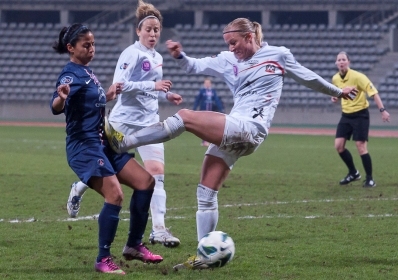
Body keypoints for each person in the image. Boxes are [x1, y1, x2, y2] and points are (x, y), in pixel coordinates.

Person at [104, 18, 358, 269]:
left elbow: (307, 77)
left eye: (234, 42)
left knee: (184, 117)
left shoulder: (278, 55)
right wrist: (180, 56)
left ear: (249, 37)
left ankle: (123, 142)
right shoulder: (228, 59)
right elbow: (195, 66)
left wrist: (338, 92)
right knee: (205, 192)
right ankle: (205, 255)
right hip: (237, 131)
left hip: (251, 128)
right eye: (228, 43)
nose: (231, 48)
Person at [66, 0, 183, 248]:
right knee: (105, 170)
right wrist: (153, 86)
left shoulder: (157, 57)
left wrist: (166, 95)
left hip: (149, 123)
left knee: (157, 175)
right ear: (138, 31)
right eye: (148, 29)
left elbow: (152, 89)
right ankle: (79, 187)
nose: (153, 34)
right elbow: (118, 86)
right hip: (122, 124)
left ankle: (159, 230)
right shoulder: (131, 53)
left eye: (156, 30)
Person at [51, 23, 163, 275]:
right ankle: (103, 258)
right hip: (85, 147)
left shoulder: (87, 71)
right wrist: (62, 97)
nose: (92, 49)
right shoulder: (70, 74)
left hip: (103, 143)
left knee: (146, 182)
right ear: (71, 48)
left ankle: (134, 245)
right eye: (86, 45)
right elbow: (56, 105)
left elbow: (93, 102)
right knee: (115, 196)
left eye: (93, 44)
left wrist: (109, 95)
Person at [331, 51, 390, 188]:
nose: (341, 62)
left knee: (361, 147)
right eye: (339, 60)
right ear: (336, 63)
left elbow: (374, 93)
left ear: (348, 62)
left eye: (343, 59)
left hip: (360, 115)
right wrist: (335, 97)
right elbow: (338, 93)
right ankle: (353, 173)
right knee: (339, 146)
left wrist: (383, 110)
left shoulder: (358, 77)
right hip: (346, 115)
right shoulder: (335, 79)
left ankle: (370, 179)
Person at [193, 77, 225, 146]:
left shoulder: (213, 91)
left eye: (208, 83)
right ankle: (204, 141)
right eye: (206, 83)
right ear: (204, 84)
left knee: (210, 126)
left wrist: (221, 109)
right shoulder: (202, 91)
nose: (207, 84)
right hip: (203, 112)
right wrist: (194, 109)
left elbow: (217, 100)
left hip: (211, 112)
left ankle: (208, 140)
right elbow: (197, 100)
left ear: (210, 84)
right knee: (204, 126)